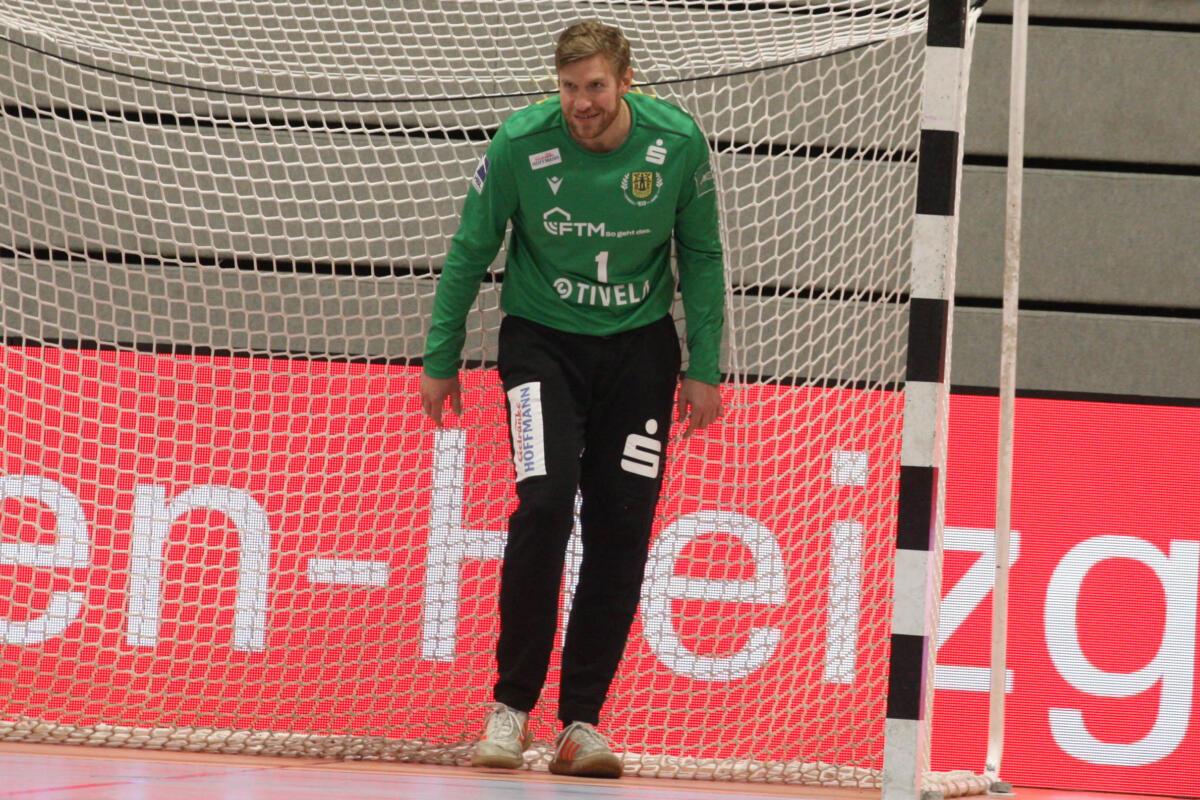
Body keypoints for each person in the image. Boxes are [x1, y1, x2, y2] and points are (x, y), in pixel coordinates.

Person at [419, 20, 725, 779]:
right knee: (546, 504)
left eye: (595, 87)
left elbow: (701, 255)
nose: (581, 103)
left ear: (625, 82)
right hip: (541, 348)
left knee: (622, 529)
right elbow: (470, 248)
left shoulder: (676, 143)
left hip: (639, 354)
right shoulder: (521, 144)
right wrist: (441, 357)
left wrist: (705, 366)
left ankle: (581, 724)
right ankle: (510, 708)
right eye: (568, 88)